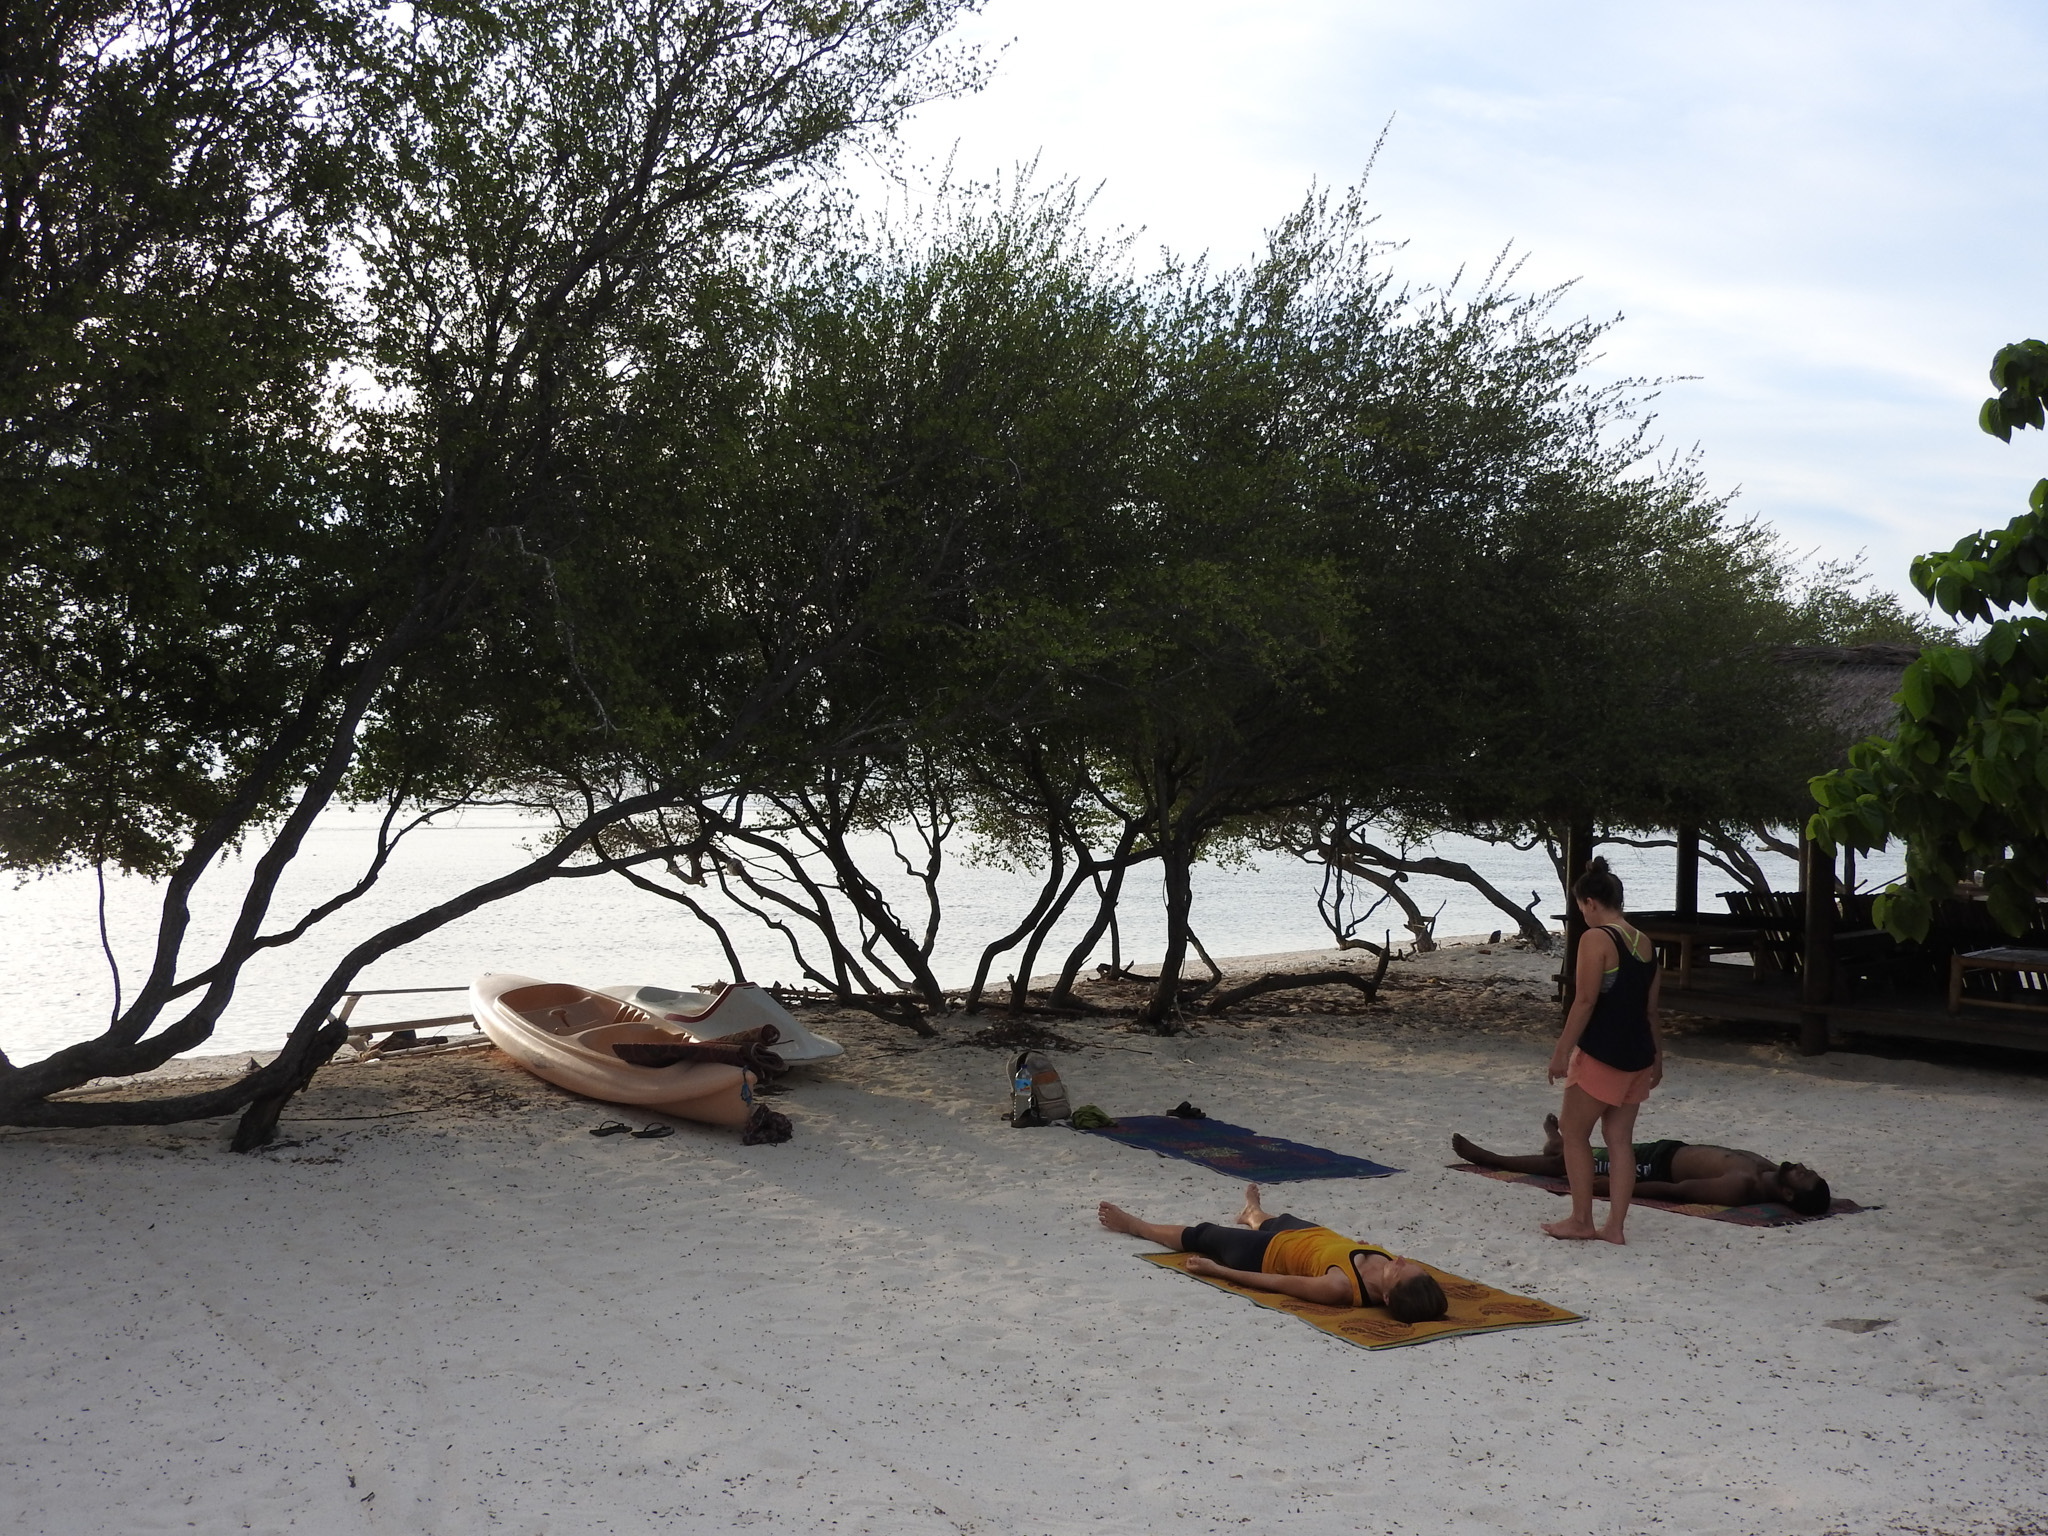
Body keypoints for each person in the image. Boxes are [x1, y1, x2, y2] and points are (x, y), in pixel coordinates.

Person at [1096, 1184, 1449, 1323]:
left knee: (1202, 1234)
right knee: (1270, 1220)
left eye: (1399, 1271)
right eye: (1408, 1265)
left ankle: (1135, 1225)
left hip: (1266, 1254)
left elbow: (1277, 1282)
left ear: (1386, 1297)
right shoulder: (1395, 1272)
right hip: (1313, 1235)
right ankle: (1252, 1213)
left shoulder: (1341, 1288)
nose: (1400, 1261)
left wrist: (1217, 1271)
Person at [1544, 856, 1663, 1244]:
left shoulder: (1595, 938)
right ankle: (1615, 1227)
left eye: (1580, 907)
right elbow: (1651, 1010)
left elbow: (1585, 1001)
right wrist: (1658, 1059)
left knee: (1574, 1132)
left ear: (1590, 902)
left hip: (1604, 1053)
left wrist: (1562, 1052)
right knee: (1619, 1140)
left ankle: (1582, 1219)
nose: (1582, 914)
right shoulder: (1645, 943)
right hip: (1638, 1055)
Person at [1452, 1115, 1833, 1215]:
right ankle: (1557, 1142)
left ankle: (1492, 1159)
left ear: (1786, 1193)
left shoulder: (1741, 1188)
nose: (1799, 1165)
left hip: (1654, 1168)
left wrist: (1620, 1187)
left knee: (1568, 1165)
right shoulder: (1766, 1168)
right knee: (1584, 1152)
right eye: (1806, 1168)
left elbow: (1677, 1192)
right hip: (1666, 1149)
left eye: (1802, 1175)